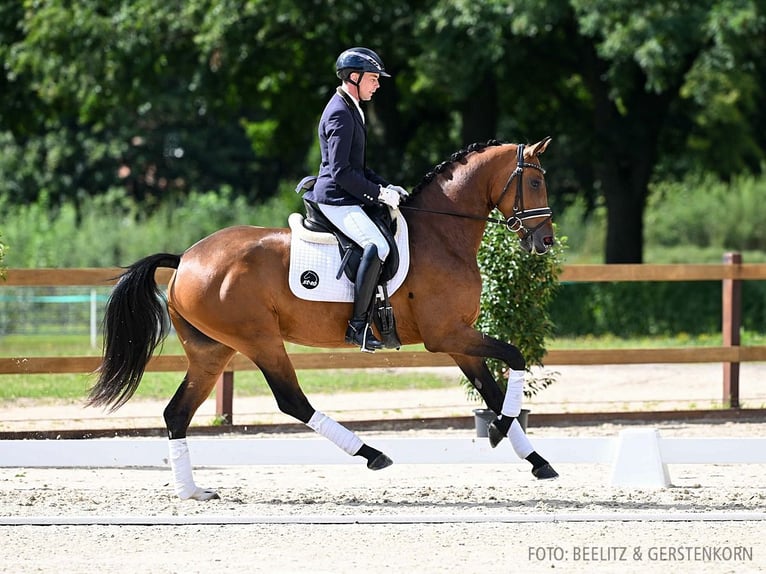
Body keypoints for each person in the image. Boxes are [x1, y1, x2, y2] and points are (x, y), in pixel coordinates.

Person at [303, 47, 408, 352]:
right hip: (336, 198)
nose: (377, 85)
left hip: (347, 194)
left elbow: (359, 168)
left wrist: (387, 187)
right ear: (354, 77)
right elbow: (340, 172)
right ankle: (357, 327)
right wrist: (377, 194)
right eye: (373, 79)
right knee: (378, 246)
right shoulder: (339, 111)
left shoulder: (352, 108)